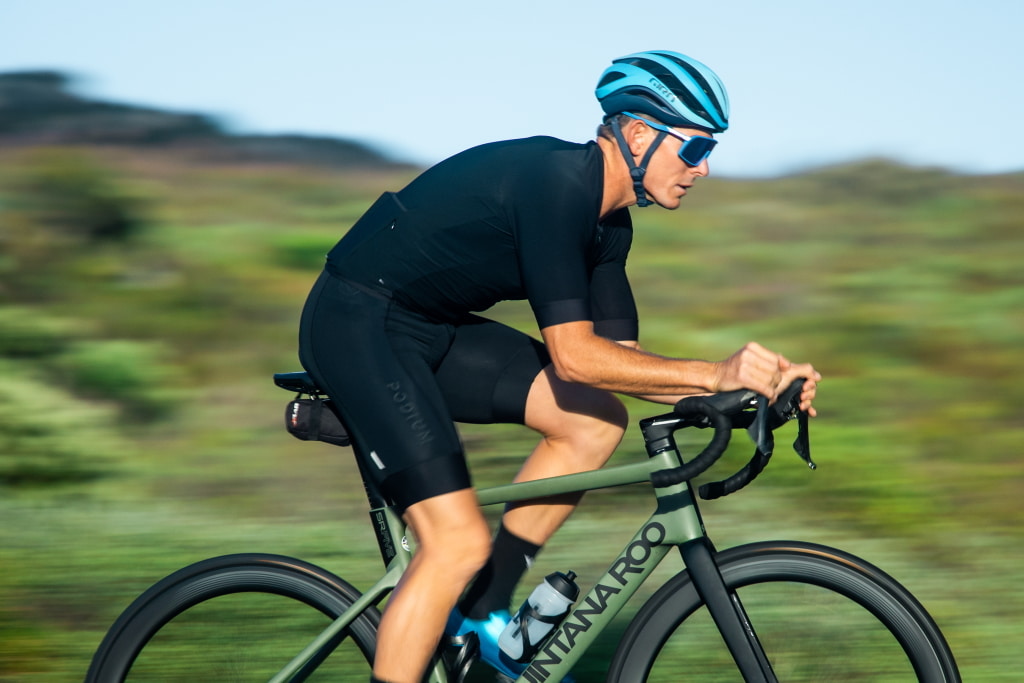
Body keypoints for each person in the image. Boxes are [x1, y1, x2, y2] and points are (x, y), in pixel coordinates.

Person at [297, 50, 820, 683]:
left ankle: (480, 617)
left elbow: (620, 367)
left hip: (429, 329)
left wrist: (756, 390)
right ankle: (459, 598)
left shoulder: (609, 227)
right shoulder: (556, 185)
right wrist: (715, 374)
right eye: (694, 148)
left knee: (596, 421)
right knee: (454, 542)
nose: (704, 168)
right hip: (358, 321)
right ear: (636, 133)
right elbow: (574, 356)